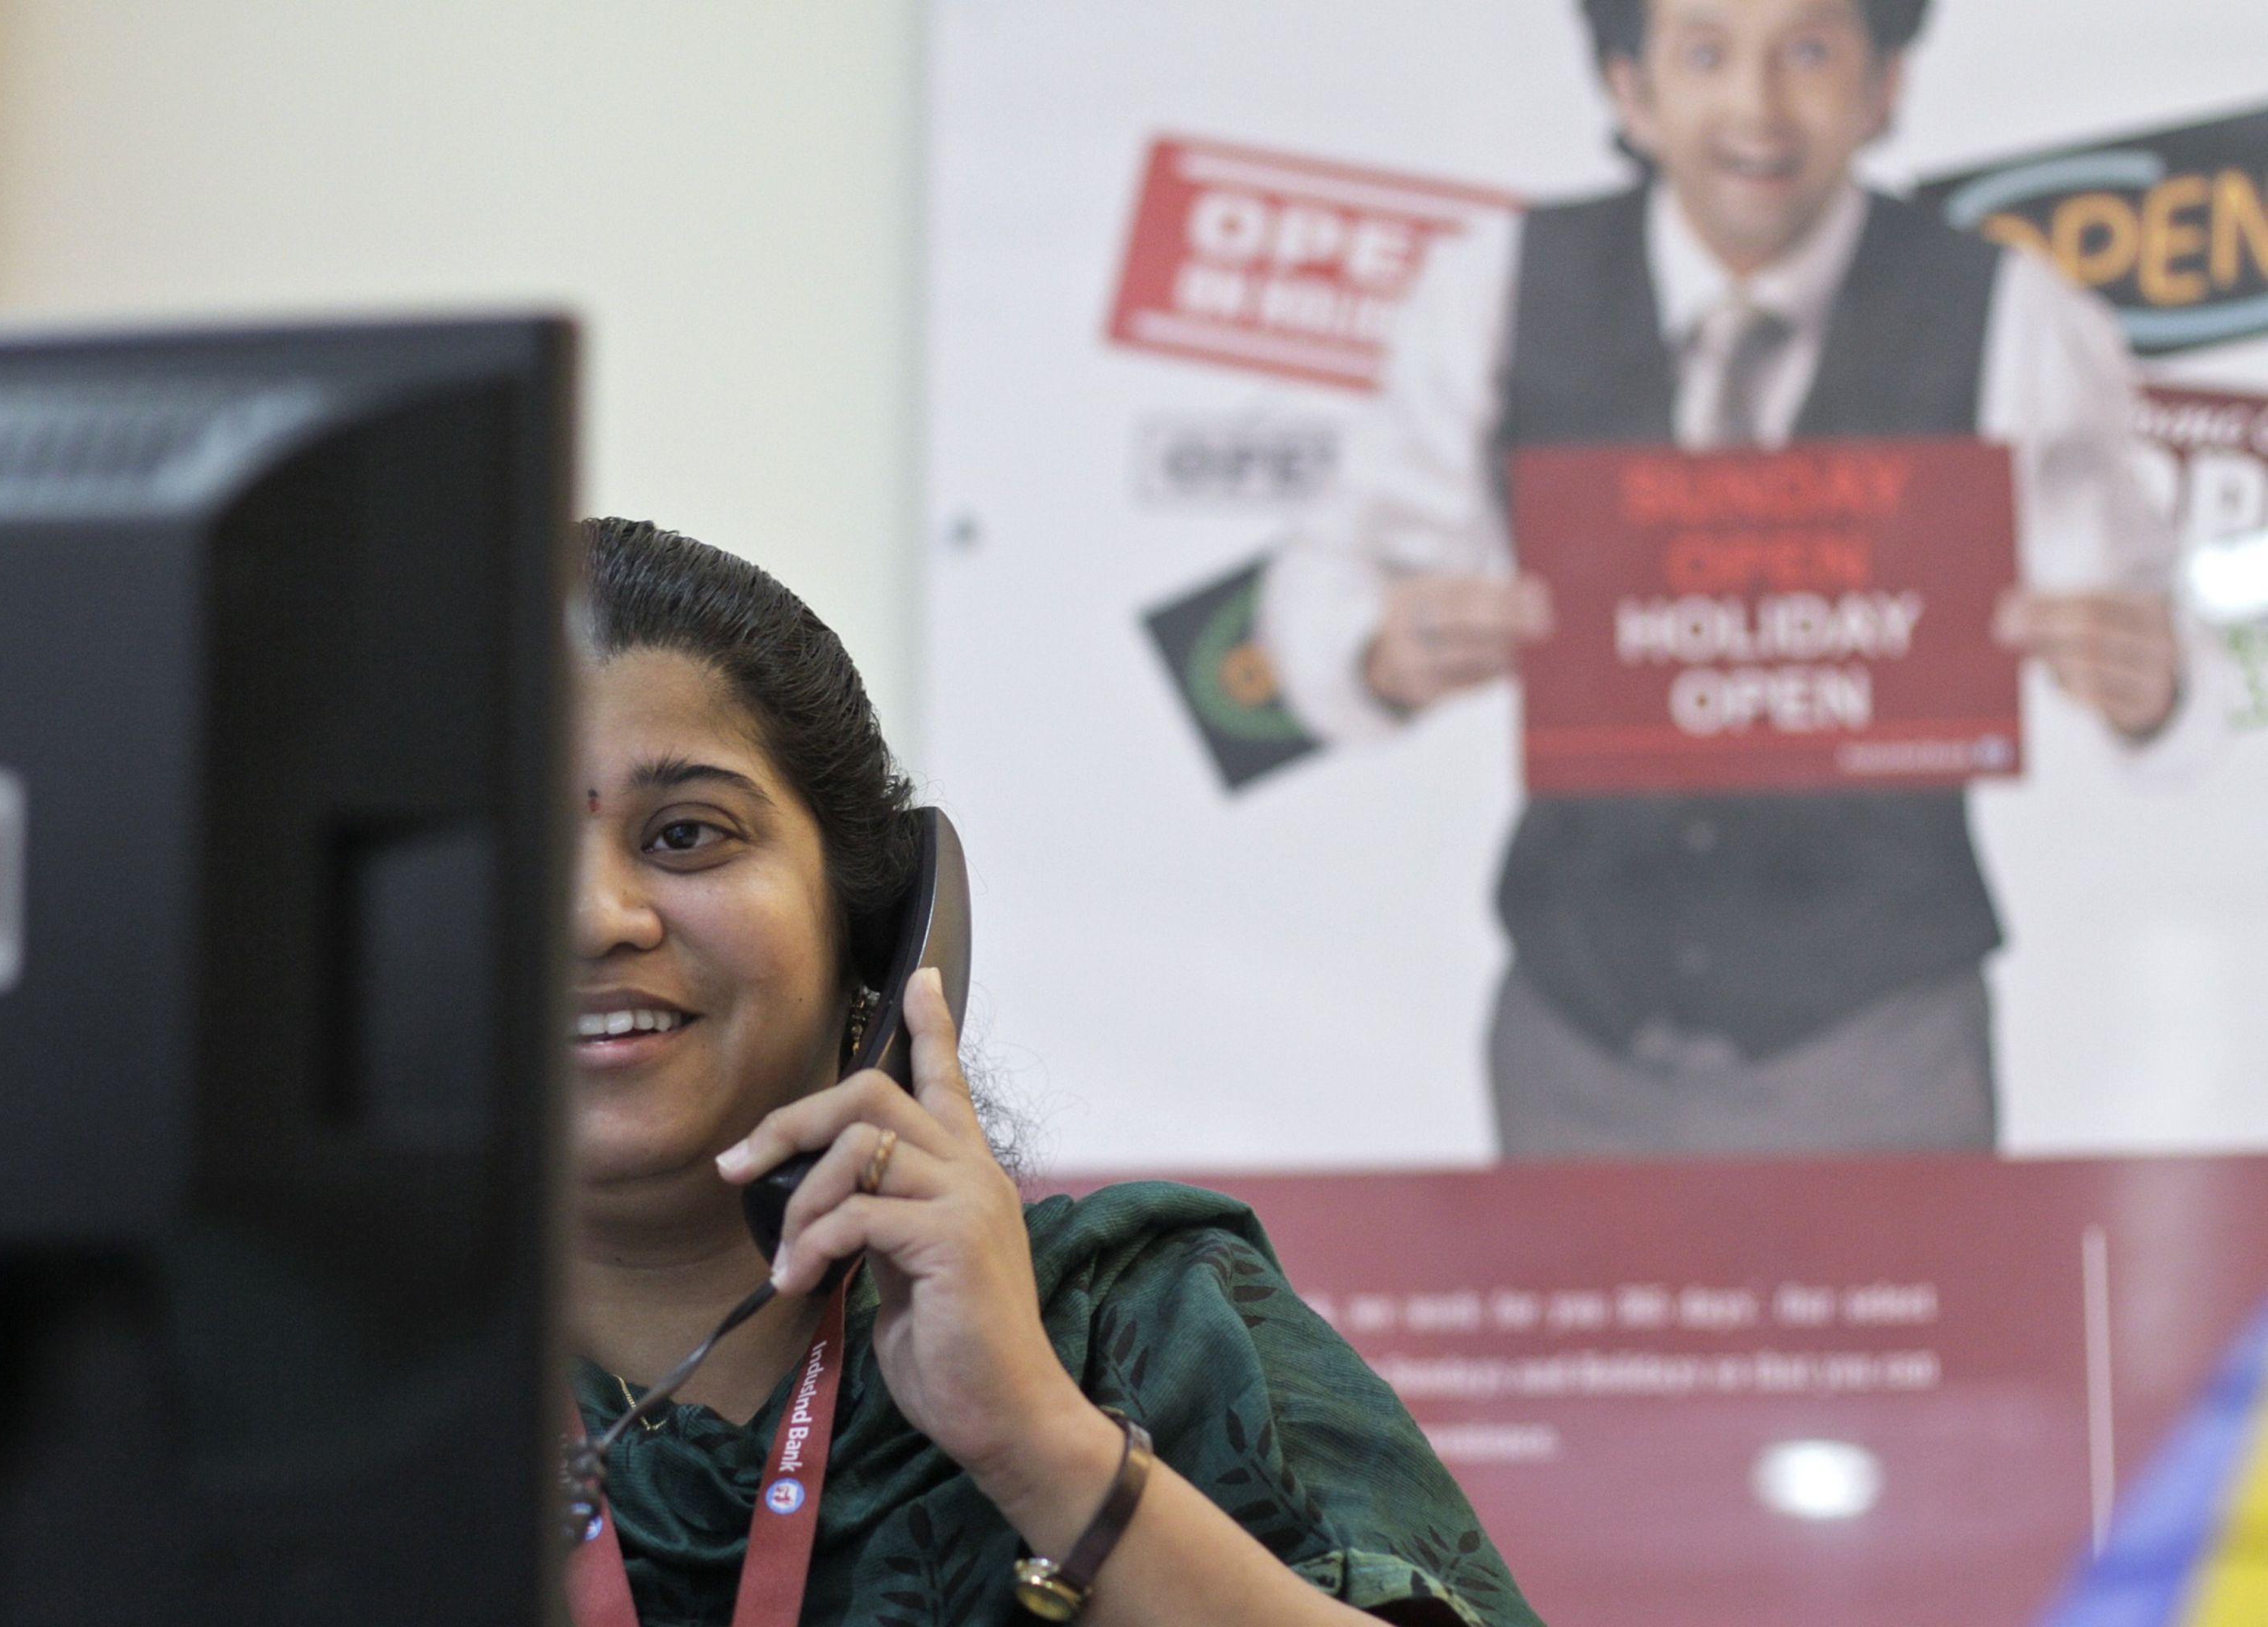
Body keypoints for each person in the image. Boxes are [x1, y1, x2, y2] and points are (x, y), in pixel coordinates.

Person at [565, 517, 1542, 1625]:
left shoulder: (1145, 1331)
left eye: (686, 835)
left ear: (874, 929)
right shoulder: (388, 1385)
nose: (595, 918)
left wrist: (1036, 1439)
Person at [1259, 0, 2184, 1159]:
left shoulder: (2011, 311)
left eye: (1809, 51)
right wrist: (1380, 651)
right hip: (1576, 1033)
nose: (1758, 105)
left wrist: (2153, 682)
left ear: (1885, 85)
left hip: (1883, 1040)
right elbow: (1330, 573)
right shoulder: (1497, 284)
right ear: (1630, 89)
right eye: (1704, 53)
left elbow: (2166, 622)